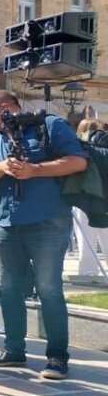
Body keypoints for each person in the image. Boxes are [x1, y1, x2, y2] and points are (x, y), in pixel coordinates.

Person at [0, 90, 87, 380]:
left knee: (49, 290)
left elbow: (78, 161)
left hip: (48, 222)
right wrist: (1, 167)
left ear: (4, 107)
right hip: (6, 225)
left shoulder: (48, 126)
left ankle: (57, 358)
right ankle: (13, 350)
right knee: (8, 289)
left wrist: (34, 170)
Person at [72, 119, 108, 281]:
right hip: (103, 194)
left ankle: (87, 270)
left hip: (84, 196)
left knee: (85, 235)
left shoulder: (77, 148)